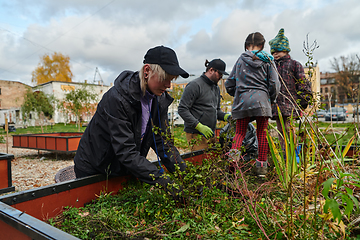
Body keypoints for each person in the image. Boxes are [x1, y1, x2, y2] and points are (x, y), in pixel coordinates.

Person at [74, 46, 189, 200]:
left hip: (122, 166)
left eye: (171, 80)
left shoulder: (159, 99)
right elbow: (126, 151)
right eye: (165, 78)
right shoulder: (117, 99)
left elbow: (163, 143)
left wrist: (186, 176)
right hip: (95, 167)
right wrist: (163, 181)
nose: (169, 85)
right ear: (147, 71)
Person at [225, 32, 280, 177]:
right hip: (262, 101)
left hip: (243, 101)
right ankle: (261, 169)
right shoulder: (268, 60)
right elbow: (275, 84)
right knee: (261, 133)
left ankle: (232, 166)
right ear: (262, 45)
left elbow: (229, 83)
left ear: (246, 45)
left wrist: (238, 94)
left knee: (239, 133)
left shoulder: (240, 60)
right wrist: (271, 99)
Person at [269, 28, 312, 150]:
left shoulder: (294, 64)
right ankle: (285, 156)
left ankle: (294, 155)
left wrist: (302, 103)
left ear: (285, 50)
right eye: (273, 52)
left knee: (290, 131)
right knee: (281, 133)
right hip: (277, 106)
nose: (275, 54)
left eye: (278, 51)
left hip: (291, 105)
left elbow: (302, 84)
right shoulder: (272, 66)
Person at [178, 59, 231, 151]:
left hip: (210, 132)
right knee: (201, 161)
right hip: (196, 133)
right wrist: (199, 126)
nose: (221, 77)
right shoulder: (194, 85)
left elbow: (216, 111)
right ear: (211, 70)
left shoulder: (216, 88)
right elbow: (182, 109)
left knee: (212, 161)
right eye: (220, 73)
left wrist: (226, 117)